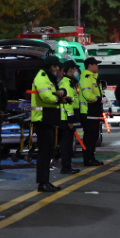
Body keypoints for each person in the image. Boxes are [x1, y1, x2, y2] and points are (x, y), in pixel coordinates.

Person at [31, 56, 66, 192]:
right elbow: (46, 96)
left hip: (48, 120)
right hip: (42, 120)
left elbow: (50, 94)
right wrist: (59, 99)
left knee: (48, 152)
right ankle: (42, 182)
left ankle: (46, 181)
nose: (59, 70)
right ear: (52, 67)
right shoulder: (42, 77)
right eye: (58, 67)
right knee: (44, 153)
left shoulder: (48, 78)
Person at [81, 57, 106, 166]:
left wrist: (103, 97)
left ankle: (91, 157)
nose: (97, 66)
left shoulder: (94, 78)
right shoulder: (87, 78)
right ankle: (88, 159)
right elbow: (88, 96)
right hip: (88, 112)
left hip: (95, 112)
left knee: (94, 136)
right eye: (96, 64)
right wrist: (100, 99)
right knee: (89, 138)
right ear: (90, 65)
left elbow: (97, 92)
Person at [58, 60, 80, 175]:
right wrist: (70, 118)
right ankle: (66, 167)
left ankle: (67, 166)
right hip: (66, 118)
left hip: (65, 117)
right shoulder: (67, 83)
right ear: (70, 69)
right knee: (67, 144)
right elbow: (68, 101)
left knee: (67, 143)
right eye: (75, 69)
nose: (76, 72)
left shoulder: (68, 82)